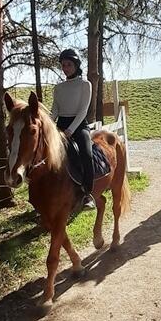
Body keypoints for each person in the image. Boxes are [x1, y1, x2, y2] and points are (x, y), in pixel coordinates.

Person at [50, 49, 96, 210]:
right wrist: (47, 125)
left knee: (86, 153)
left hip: (78, 124)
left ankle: (87, 193)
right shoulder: (58, 88)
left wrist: (70, 130)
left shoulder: (85, 85)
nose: (65, 68)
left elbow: (83, 110)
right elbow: (54, 111)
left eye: (69, 64)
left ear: (76, 65)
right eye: (63, 65)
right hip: (60, 124)